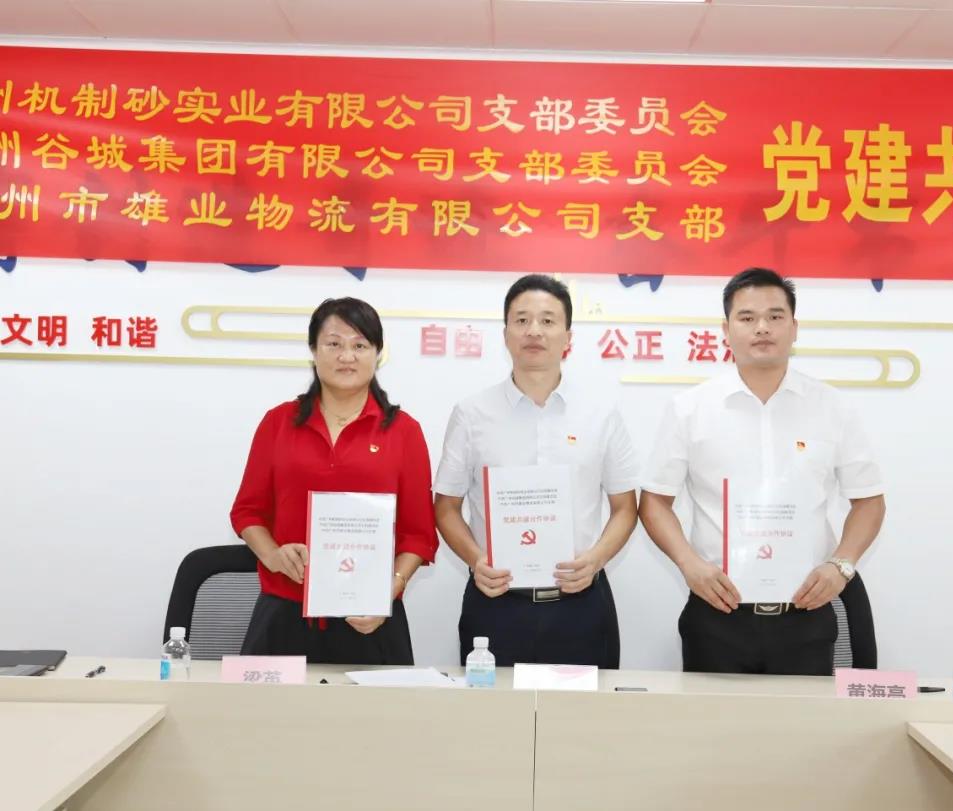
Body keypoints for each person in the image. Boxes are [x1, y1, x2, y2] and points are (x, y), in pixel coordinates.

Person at [639, 268, 886, 675]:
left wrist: (841, 566)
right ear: (726, 330)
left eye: (775, 316)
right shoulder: (690, 409)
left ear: (794, 328)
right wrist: (689, 564)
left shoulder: (833, 407)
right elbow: (654, 502)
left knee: (807, 718)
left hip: (807, 609)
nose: (762, 328)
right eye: (747, 317)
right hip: (718, 610)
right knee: (714, 718)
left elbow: (869, 501)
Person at [434, 274, 638, 668]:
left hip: (581, 604)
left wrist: (595, 560)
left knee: (583, 709)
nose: (534, 331)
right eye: (522, 320)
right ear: (505, 334)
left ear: (568, 337)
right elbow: (446, 507)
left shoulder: (600, 414)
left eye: (547, 320)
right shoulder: (472, 413)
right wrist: (476, 560)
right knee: (492, 709)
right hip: (496, 603)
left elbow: (625, 507)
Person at [230, 297, 437, 664]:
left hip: (372, 618)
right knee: (269, 705)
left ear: (377, 354)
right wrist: (273, 555)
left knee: (377, 705)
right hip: (285, 614)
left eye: (360, 345)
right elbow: (248, 512)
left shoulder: (403, 432)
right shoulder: (278, 423)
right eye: (334, 344)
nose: (347, 356)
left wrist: (392, 587)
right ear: (313, 351)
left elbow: (418, 534)